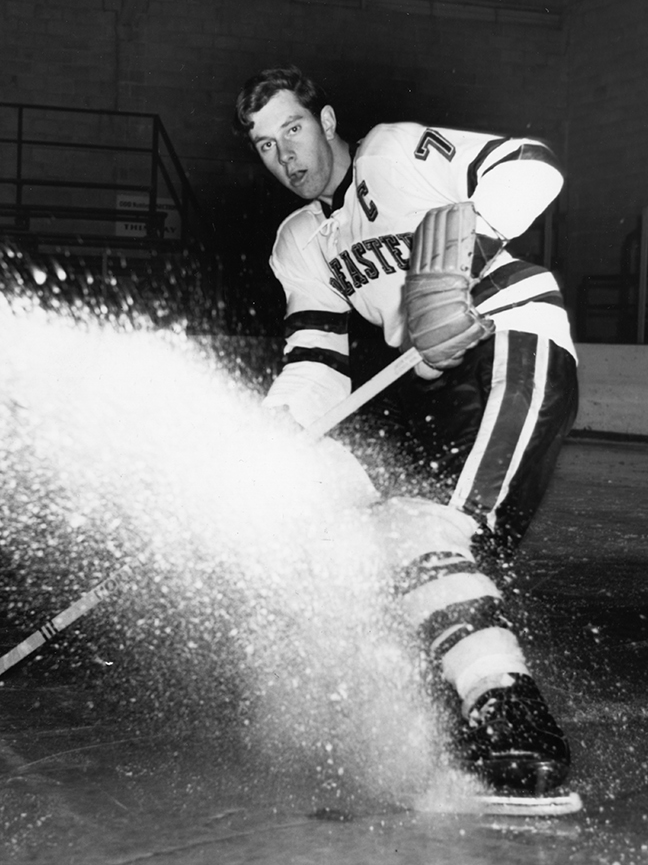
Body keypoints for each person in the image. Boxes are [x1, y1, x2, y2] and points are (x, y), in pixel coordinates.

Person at [234, 65, 579, 796]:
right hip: (441, 386)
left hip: (512, 338)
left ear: (326, 121)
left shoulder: (392, 152)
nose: (285, 154)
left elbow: (532, 165)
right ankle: (472, 713)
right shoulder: (300, 240)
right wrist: (273, 436)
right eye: (265, 145)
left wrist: (468, 242)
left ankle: (519, 730)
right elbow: (316, 361)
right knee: (407, 555)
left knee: (424, 532)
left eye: (293, 129)